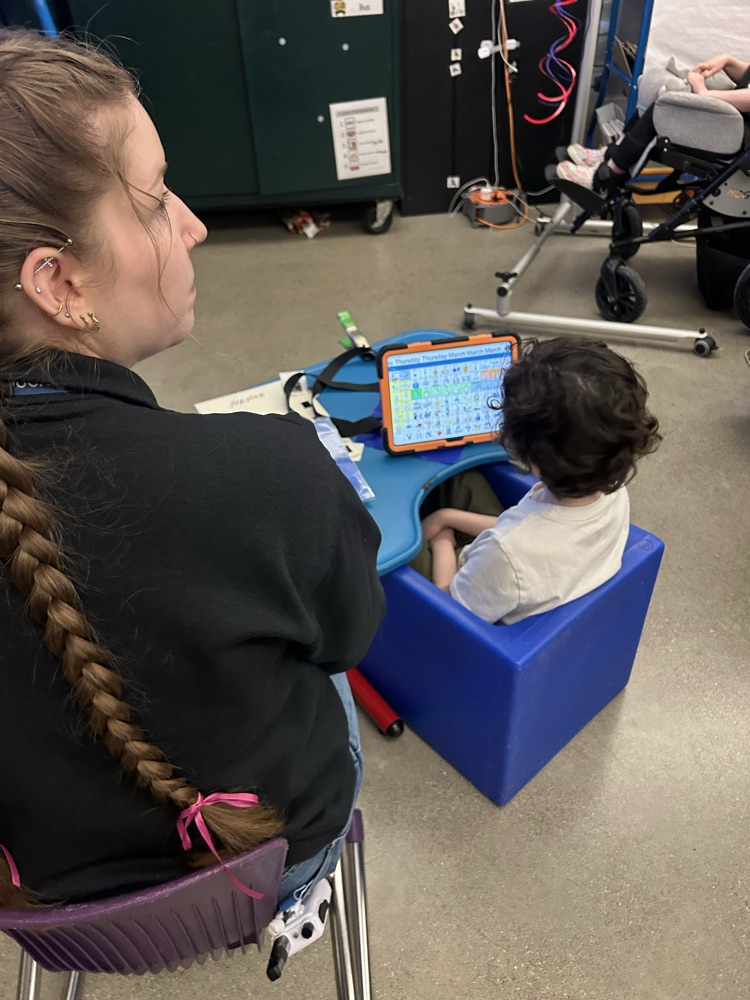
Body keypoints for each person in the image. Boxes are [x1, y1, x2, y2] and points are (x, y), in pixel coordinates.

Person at [0, 29, 385, 909]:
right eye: (155, 199)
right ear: (58, 283)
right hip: (265, 857)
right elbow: (351, 639)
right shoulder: (270, 478)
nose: (195, 226)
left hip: (47, 901)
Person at [418, 338, 661, 625]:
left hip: (473, 602)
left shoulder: (507, 553)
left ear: (533, 461)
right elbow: (521, 530)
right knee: (462, 484)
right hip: (529, 576)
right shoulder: (613, 492)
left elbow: (451, 613)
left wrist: (442, 541)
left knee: (391, 548)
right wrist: (449, 517)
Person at [557, 53, 750, 188]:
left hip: (738, 138)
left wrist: (703, 92)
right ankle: (612, 155)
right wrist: (728, 61)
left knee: (667, 105)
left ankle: (609, 174)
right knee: (662, 93)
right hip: (733, 125)